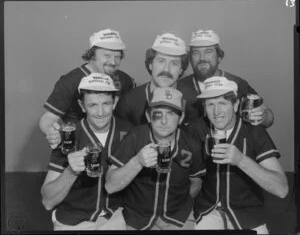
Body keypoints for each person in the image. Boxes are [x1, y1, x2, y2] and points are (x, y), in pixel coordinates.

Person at [186, 76, 288, 234]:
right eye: (210, 104)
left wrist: (241, 160)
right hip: (208, 212)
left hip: (247, 215)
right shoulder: (196, 129)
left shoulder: (253, 130)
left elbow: (281, 189)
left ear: (235, 105)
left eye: (222, 103)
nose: (216, 111)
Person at [41, 73, 134, 230]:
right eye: (92, 105)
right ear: (82, 105)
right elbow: (47, 201)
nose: (100, 112)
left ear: (115, 102)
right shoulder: (67, 136)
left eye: (106, 104)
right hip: (73, 221)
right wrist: (71, 171)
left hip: (116, 217)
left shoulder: (129, 131)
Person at [105, 87, 206, 230]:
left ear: (181, 118)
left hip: (178, 216)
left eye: (171, 114)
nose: (164, 121)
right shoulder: (136, 136)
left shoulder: (192, 144)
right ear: (148, 115)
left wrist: (180, 205)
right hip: (138, 216)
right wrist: (137, 162)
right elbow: (110, 186)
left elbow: (196, 182)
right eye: (158, 114)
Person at [39, 28, 136, 149]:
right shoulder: (70, 81)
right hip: (80, 146)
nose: (113, 62)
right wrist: (51, 132)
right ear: (92, 54)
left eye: (118, 57)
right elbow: (48, 118)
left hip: (116, 147)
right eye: (107, 55)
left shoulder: (125, 79)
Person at [178, 29, 274, 128]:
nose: (202, 58)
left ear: (219, 57)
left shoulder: (237, 84)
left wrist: (263, 116)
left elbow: (269, 119)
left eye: (208, 51)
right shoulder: (181, 87)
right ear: (190, 59)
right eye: (196, 53)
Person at [114, 32, 189, 126]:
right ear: (150, 65)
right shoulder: (128, 102)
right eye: (161, 61)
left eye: (174, 63)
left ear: (181, 70)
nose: (166, 69)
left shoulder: (192, 102)